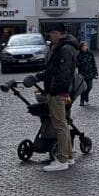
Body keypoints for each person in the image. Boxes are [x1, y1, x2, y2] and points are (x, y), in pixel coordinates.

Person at [35, 23, 78, 172]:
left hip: (58, 93)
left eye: (53, 33)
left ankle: (63, 159)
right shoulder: (63, 47)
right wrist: (39, 77)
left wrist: (53, 91)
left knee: (60, 126)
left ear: (60, 34)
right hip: (59, 91)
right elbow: (52, 70)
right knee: (63, 125)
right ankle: (69, 156)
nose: (50, 36)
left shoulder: (64, 49)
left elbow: (62, 74)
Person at [76, 40, 99, 104]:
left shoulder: (90, 54)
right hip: (82, 73)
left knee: (89, 86)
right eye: (83, 46)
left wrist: (95, 72)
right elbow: (76, 64)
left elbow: (93, 63)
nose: (84, 47)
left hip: (90, 73)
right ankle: (82, 100)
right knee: (83, 87)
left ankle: (86, 95)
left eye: (85, 46)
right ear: (81, 47)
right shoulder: (79, 55)